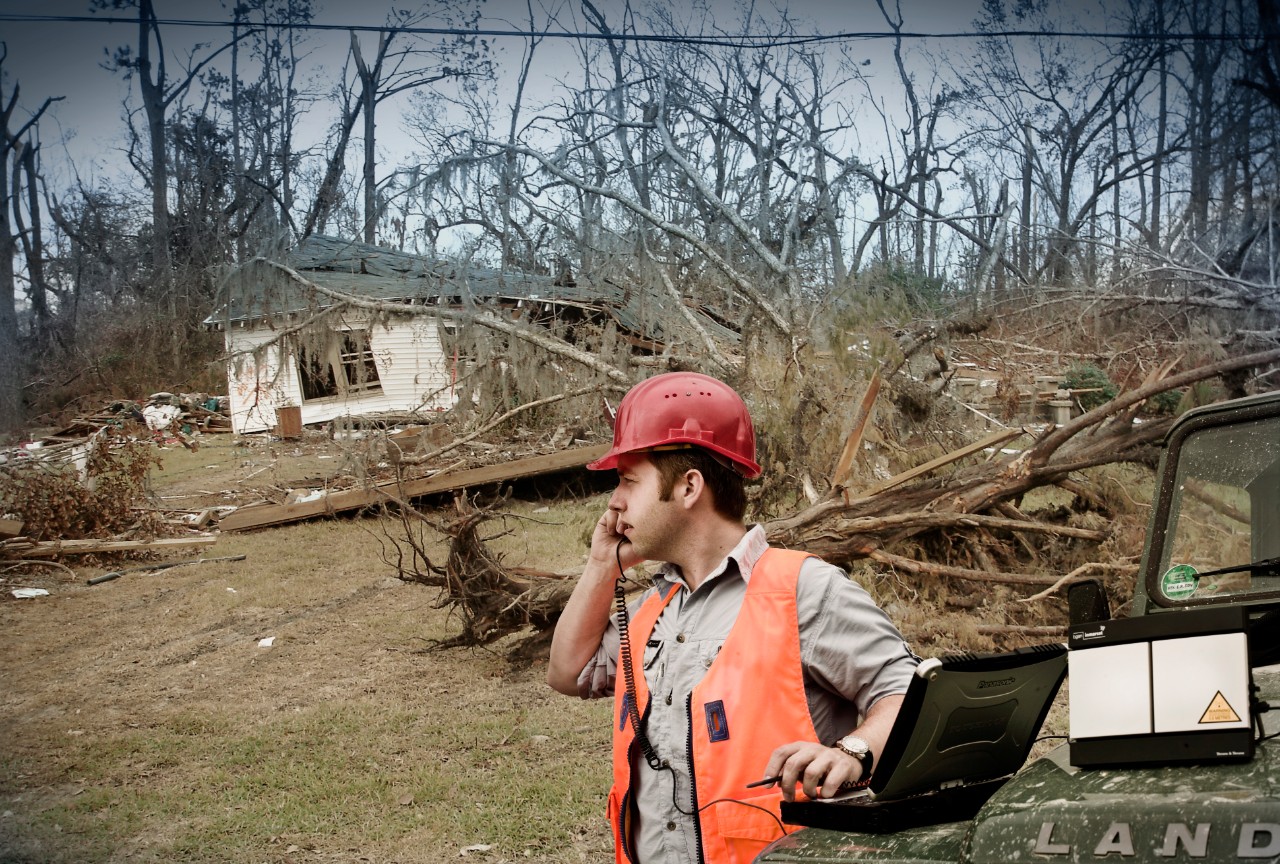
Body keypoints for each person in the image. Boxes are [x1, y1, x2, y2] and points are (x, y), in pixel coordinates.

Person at [547, 371, 918, 864]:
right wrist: (600, 566)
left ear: (688, 487)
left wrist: (851, 751)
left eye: (628, 481)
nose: (614, 502)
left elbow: (909, 692)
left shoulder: (804, 590)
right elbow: (567, 673)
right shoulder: (653, 608)